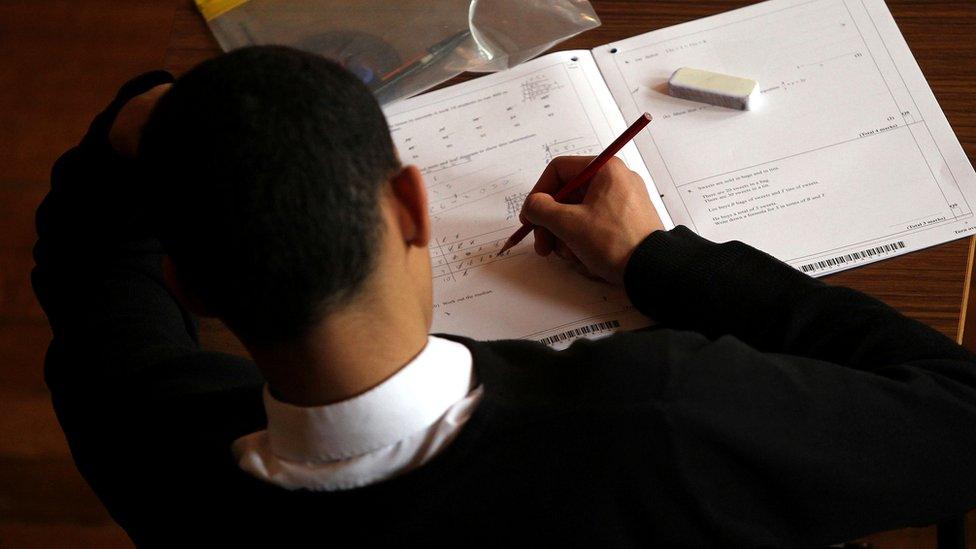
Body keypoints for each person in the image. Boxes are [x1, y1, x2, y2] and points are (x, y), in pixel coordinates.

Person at [33, 45, 976, 547]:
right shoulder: (661, 420)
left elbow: (88, 275)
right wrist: (660, 259)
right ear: (413, 205)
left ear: (186, 283)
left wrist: (131, 123)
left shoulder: (144, 438)